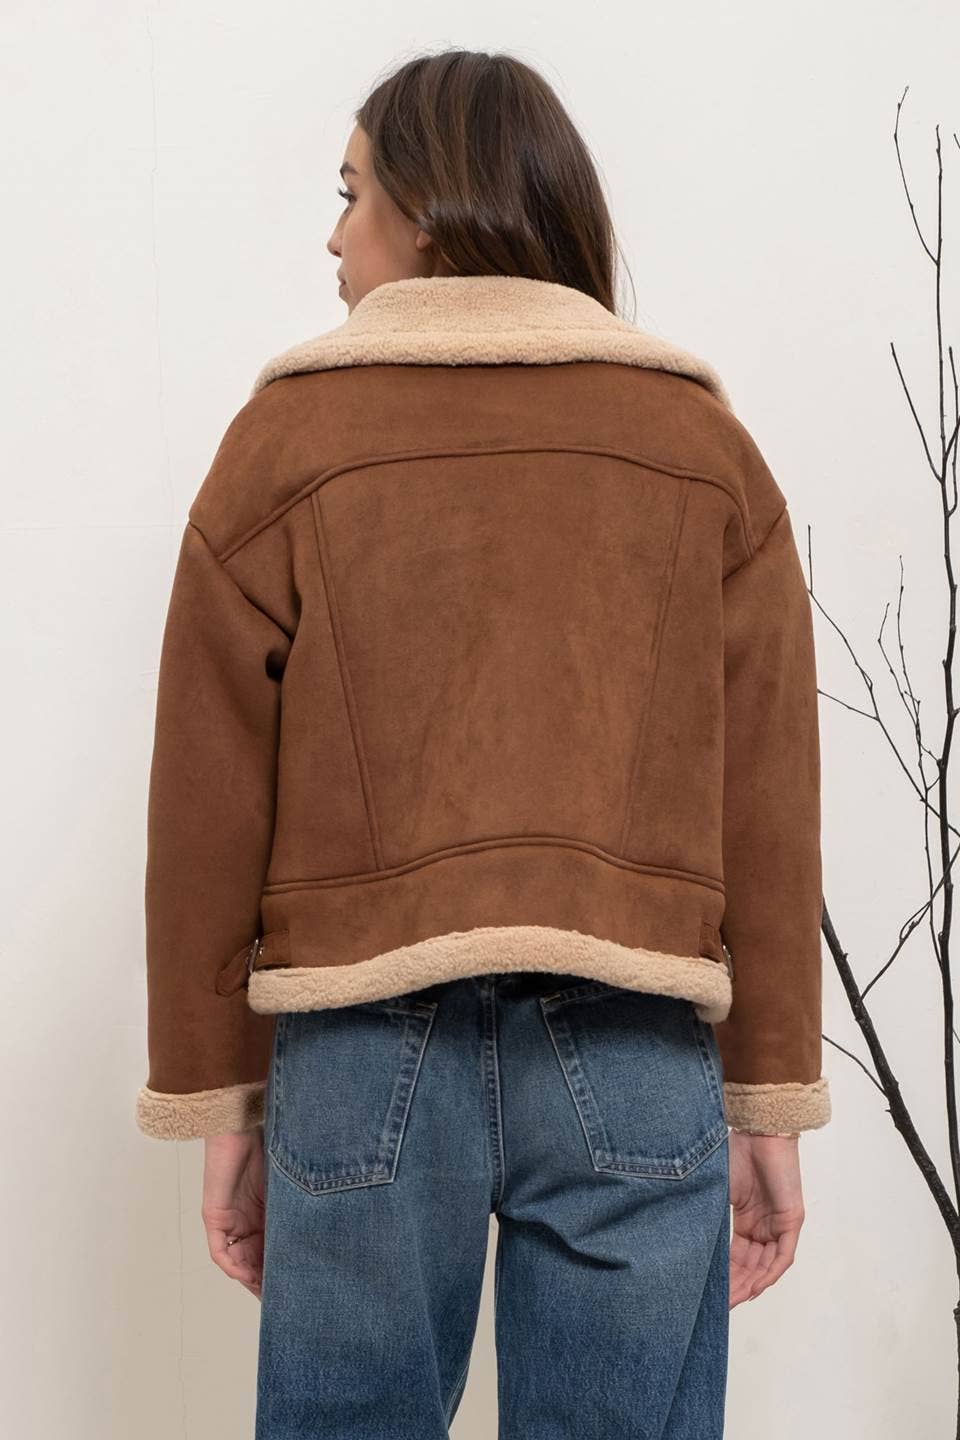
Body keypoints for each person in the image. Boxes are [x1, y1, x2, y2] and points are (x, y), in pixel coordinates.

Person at [135, 47, 831, 1439]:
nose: (335, 236)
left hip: (361, 1048)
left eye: (351, 194)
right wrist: (767, 1098)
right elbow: (766, 794)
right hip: (636, 1046)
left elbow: (206, 800)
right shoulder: (699, 447)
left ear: (432, 210)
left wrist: (223, 1103)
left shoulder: (285, 442)